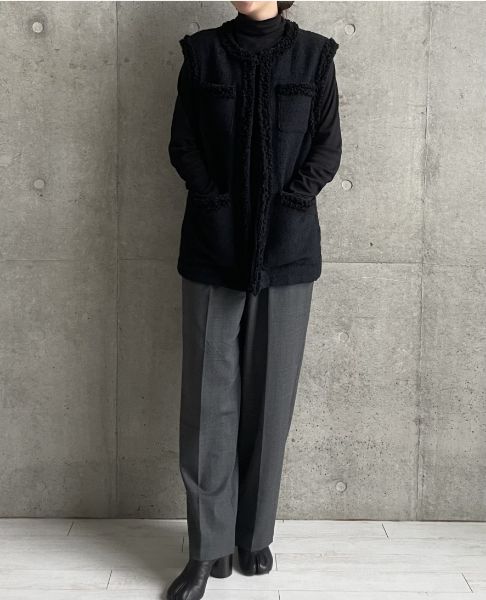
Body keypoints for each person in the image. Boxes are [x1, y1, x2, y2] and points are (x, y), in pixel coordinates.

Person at [166, 1, 342, 598]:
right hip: (212, 248)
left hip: (288, 252)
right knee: (207, 403)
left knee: (271, 401)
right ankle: (207, 548)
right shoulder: (201, 54)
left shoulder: (315, 56)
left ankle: (253, 535)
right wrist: (214, 203)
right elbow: (183, 145)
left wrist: (289, 207)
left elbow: (326, 149)